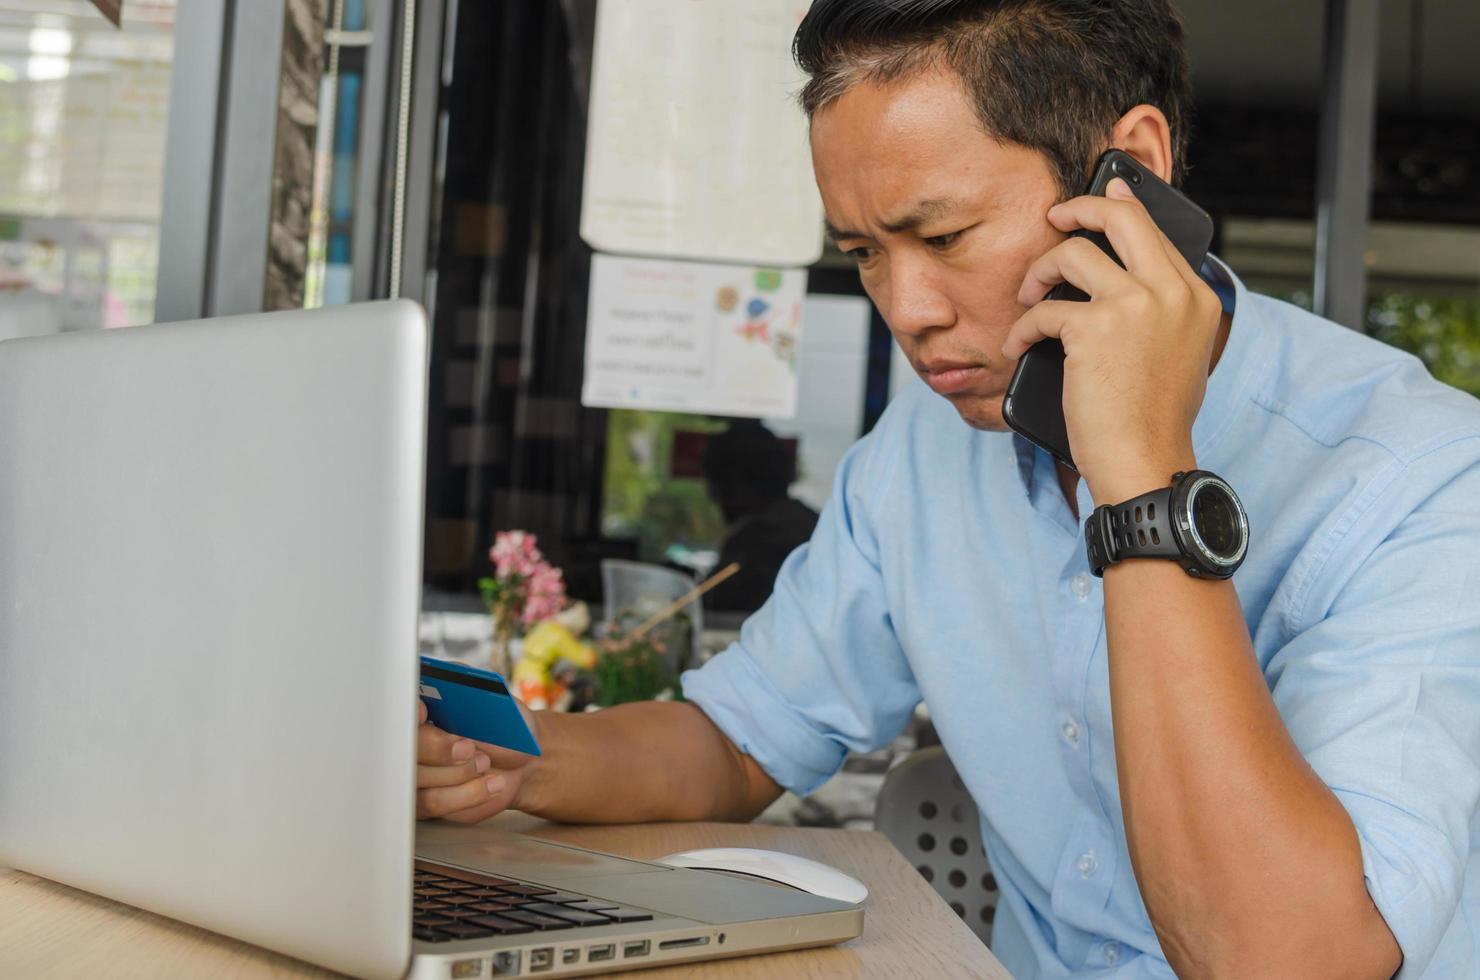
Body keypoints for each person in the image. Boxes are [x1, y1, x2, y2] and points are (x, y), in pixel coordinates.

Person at [414, 2, 1480, 976]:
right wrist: (503, 757)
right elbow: (736, 741)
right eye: (865, 253)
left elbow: (1286, 962)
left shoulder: (1422, 477)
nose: (907, 309)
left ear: (1132, 172)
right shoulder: (924, 446)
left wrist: (1143, 478)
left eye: (942, 235)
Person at [700, 419, 820, 612]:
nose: (712, 496)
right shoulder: (812, 525)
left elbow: (723, 610)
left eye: (716, 481)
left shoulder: (760, 539)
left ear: (738, 481)